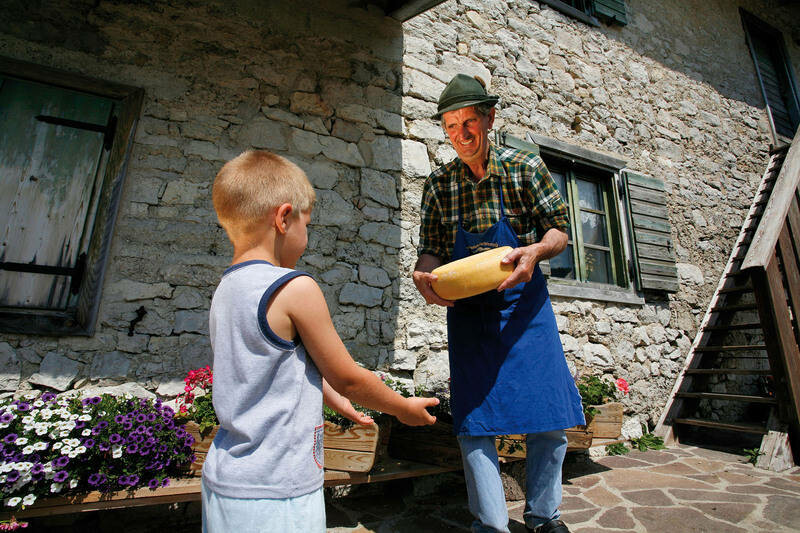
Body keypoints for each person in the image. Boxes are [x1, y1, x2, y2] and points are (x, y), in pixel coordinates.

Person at [203, 150, 438, 533]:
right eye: (307, 224)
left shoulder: (227, 288)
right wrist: (402, 408)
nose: (307, 237)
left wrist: (334, 400)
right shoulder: (295, 287)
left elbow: (271, 366)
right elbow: (349, 377)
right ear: (283, 218)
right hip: (278, 491)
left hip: (226, 483)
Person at [412, 74, 584, 533]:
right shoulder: (439, 184)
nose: (461, 134)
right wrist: (423, 274)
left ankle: (544, 516)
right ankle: (490, 525)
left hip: (524, 307)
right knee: (475, 420)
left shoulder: (524, 167)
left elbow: (560, 231)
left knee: (547, 415)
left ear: (489, 118)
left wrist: (536, 251)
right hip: (469, 315)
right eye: (451, 126)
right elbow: (431, 249)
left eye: (469, 122)